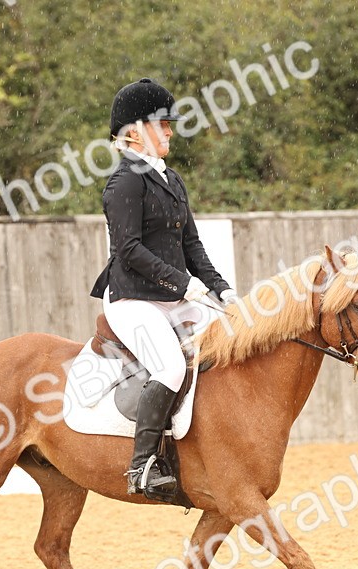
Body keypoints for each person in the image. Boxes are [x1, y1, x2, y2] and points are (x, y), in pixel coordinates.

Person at [89, 77, 237, 498]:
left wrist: (222, 290)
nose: (170, 131)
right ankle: (142, 466)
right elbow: (128, 249)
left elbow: (192, 245)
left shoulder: (171, 180)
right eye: (162, 124)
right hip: (133, 299)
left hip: (173, 297)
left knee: (227, 341)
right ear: (134, 131)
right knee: (170, 367)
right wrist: (181, 281)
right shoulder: (125, 183)